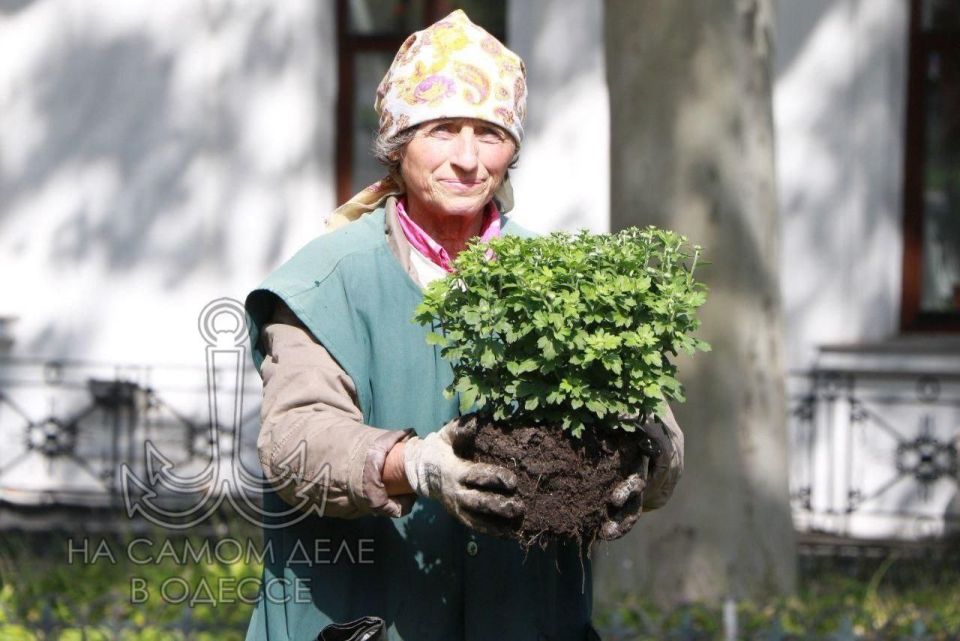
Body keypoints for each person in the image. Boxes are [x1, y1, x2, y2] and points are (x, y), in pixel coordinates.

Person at [243, 10, 684, 641]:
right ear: (399, 143)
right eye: (443, 130)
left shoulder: (561, 277)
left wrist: (645, 460)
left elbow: (657, 424)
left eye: (490, 133)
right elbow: (292, 441)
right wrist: (415, 463)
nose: (469, 159)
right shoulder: (329, 279)